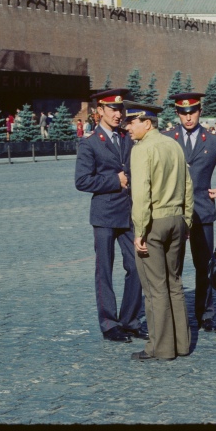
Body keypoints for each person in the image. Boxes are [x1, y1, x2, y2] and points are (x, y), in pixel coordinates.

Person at [74, 89, 145, 343]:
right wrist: (114, 181)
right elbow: (82, 181)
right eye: (112, 109)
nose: (118, 114)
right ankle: (109, 323)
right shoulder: (90, 142)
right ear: (100, 111)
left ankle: (130, 320)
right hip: (104, 214)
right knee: (104, 270)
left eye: (120, 109)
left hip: (128, 214)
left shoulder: (127, 137)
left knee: (137, 266)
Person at [165, 92, 216, 333]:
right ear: (177, 114)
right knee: (171, 266)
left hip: (202, 212)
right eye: (183, 113)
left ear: (200, 111)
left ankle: (205, 314)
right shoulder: (167, 138)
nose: (188, 117)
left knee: (203, 265)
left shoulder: (213, 140)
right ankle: (173, 316)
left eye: (193, 112)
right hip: (172, 211)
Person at [125, 102, 194, 361]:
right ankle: (182, 343)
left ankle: (159, 348)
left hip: (154, 222)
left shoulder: (142, 150)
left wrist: (140, 230)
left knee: (155, 288)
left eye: (132, 122)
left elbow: (141, 193)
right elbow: (188, 185)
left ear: (147, 122)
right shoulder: (173, 144)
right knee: (174, 283)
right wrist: (186, 220)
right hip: (177, 220)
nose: (128, 127)